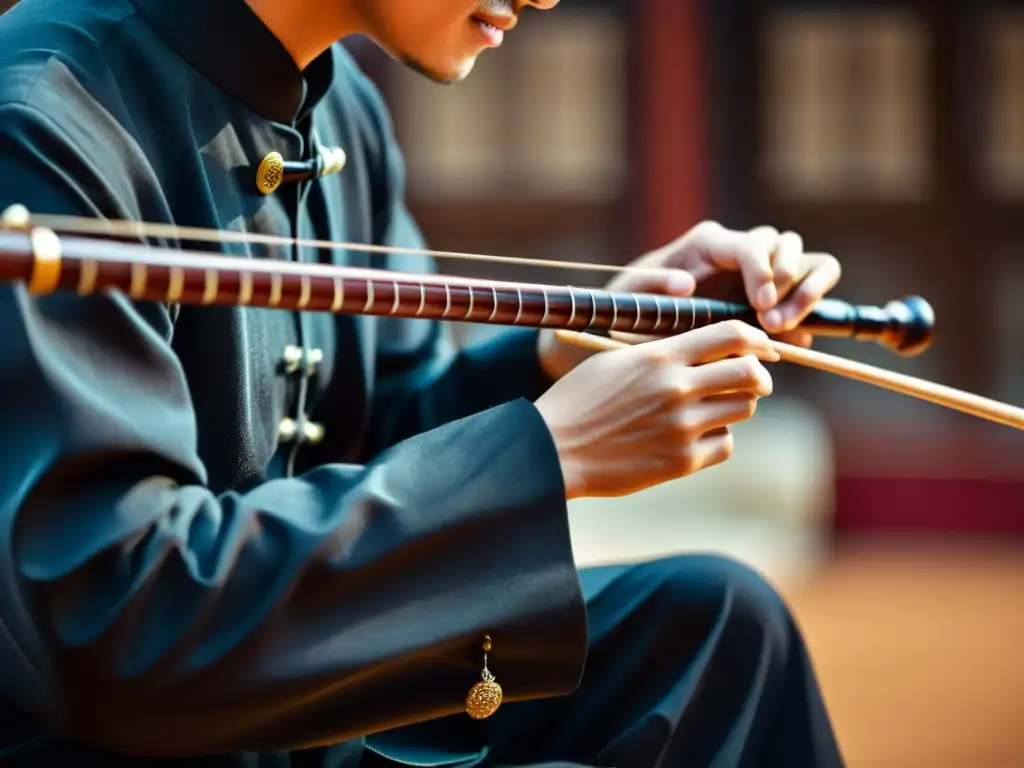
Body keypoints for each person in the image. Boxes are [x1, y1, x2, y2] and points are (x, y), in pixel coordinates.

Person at [0, 0, 846, 765]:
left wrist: (561, 356)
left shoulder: (343, 109)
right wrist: (545, 452)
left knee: (717, 632)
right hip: (132, 738)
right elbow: (114, 620)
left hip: (296, 713)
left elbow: (377, 433)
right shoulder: (44, 117)